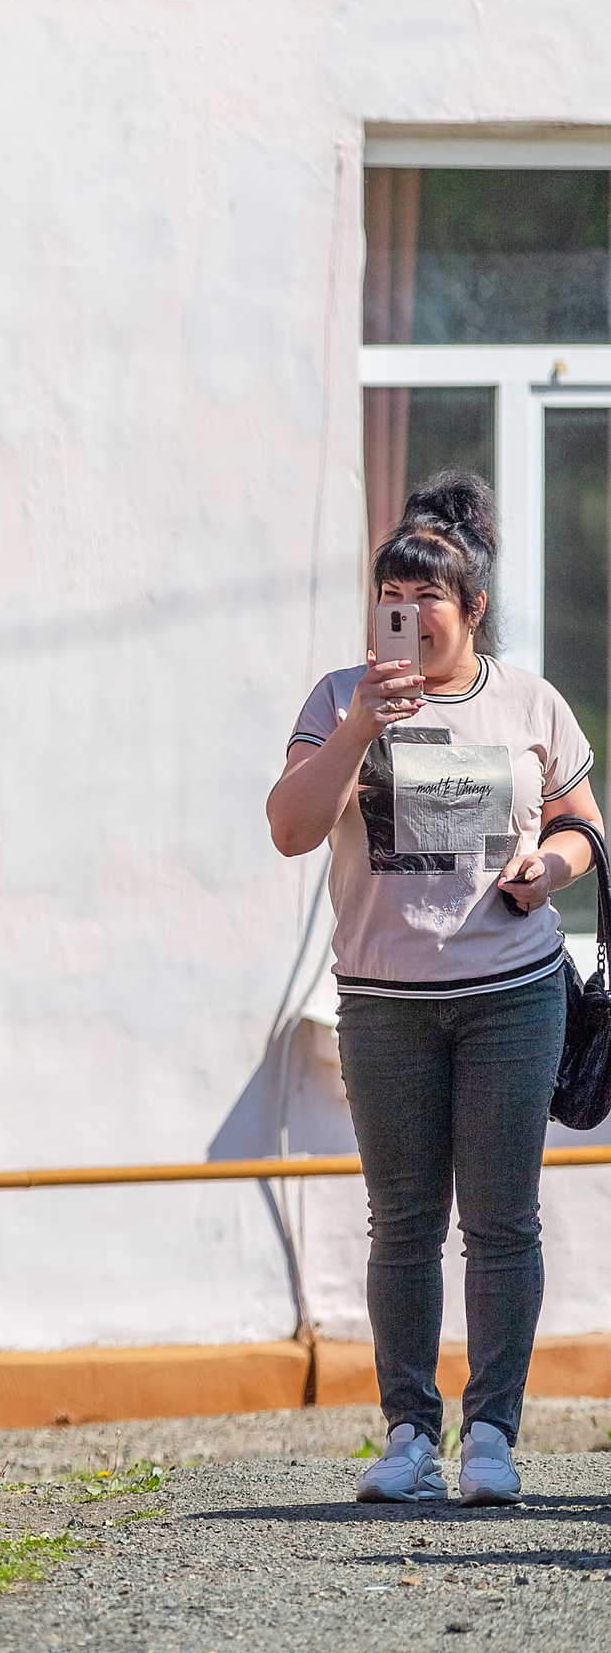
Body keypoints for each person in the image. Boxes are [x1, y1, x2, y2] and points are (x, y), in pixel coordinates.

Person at [266, 471, 601, 1509]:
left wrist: (551, 863)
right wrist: (363, 726)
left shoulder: (527, 700)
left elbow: (583, 826)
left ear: (474, 611)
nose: (406, 620)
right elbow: (287, 828)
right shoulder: (337, 697)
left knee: (501, 1221)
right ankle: (408, 1430)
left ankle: (491, 1433)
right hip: (381, 999)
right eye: (389, 603)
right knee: (402, 1221)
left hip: (510, 991)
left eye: (427, 604)